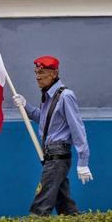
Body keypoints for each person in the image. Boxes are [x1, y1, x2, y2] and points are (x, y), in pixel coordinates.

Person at [13, 55, 93, 216]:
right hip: (50, 154)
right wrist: (25, 105)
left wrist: (83, 160)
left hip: (58, 155)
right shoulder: (48, 96)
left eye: (42, 72)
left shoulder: (65, 96)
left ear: (54, 74)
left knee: (41, 205)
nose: (38, 76)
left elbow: (77, 128)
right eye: (36, 72)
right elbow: (43, 119)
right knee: (65, 206)